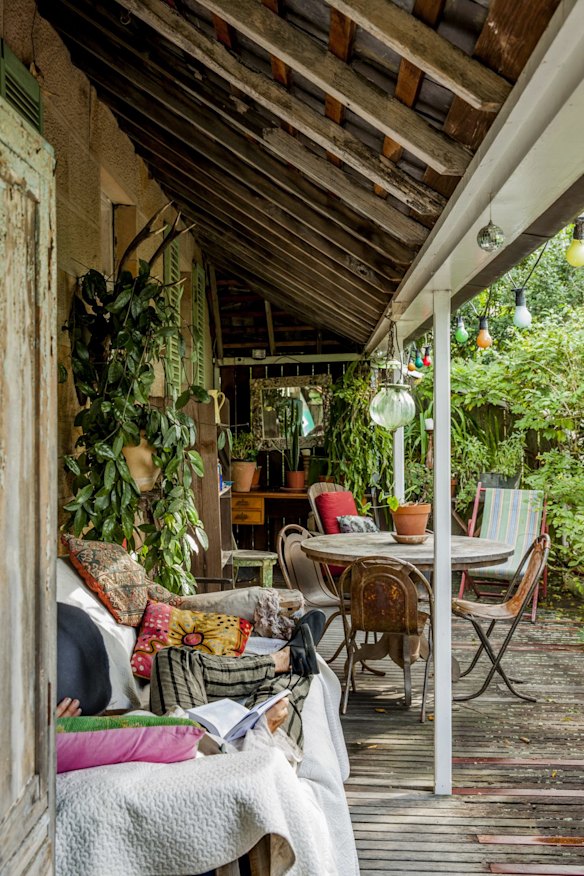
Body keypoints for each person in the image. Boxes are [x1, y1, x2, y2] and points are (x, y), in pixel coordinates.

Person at [150, 610, 326, 751]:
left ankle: (284, 659)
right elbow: (253, 780)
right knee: (277, 697)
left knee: (172, 657)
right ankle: (295, 662)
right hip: (240, 759)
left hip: (182, 738)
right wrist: (264, 731)